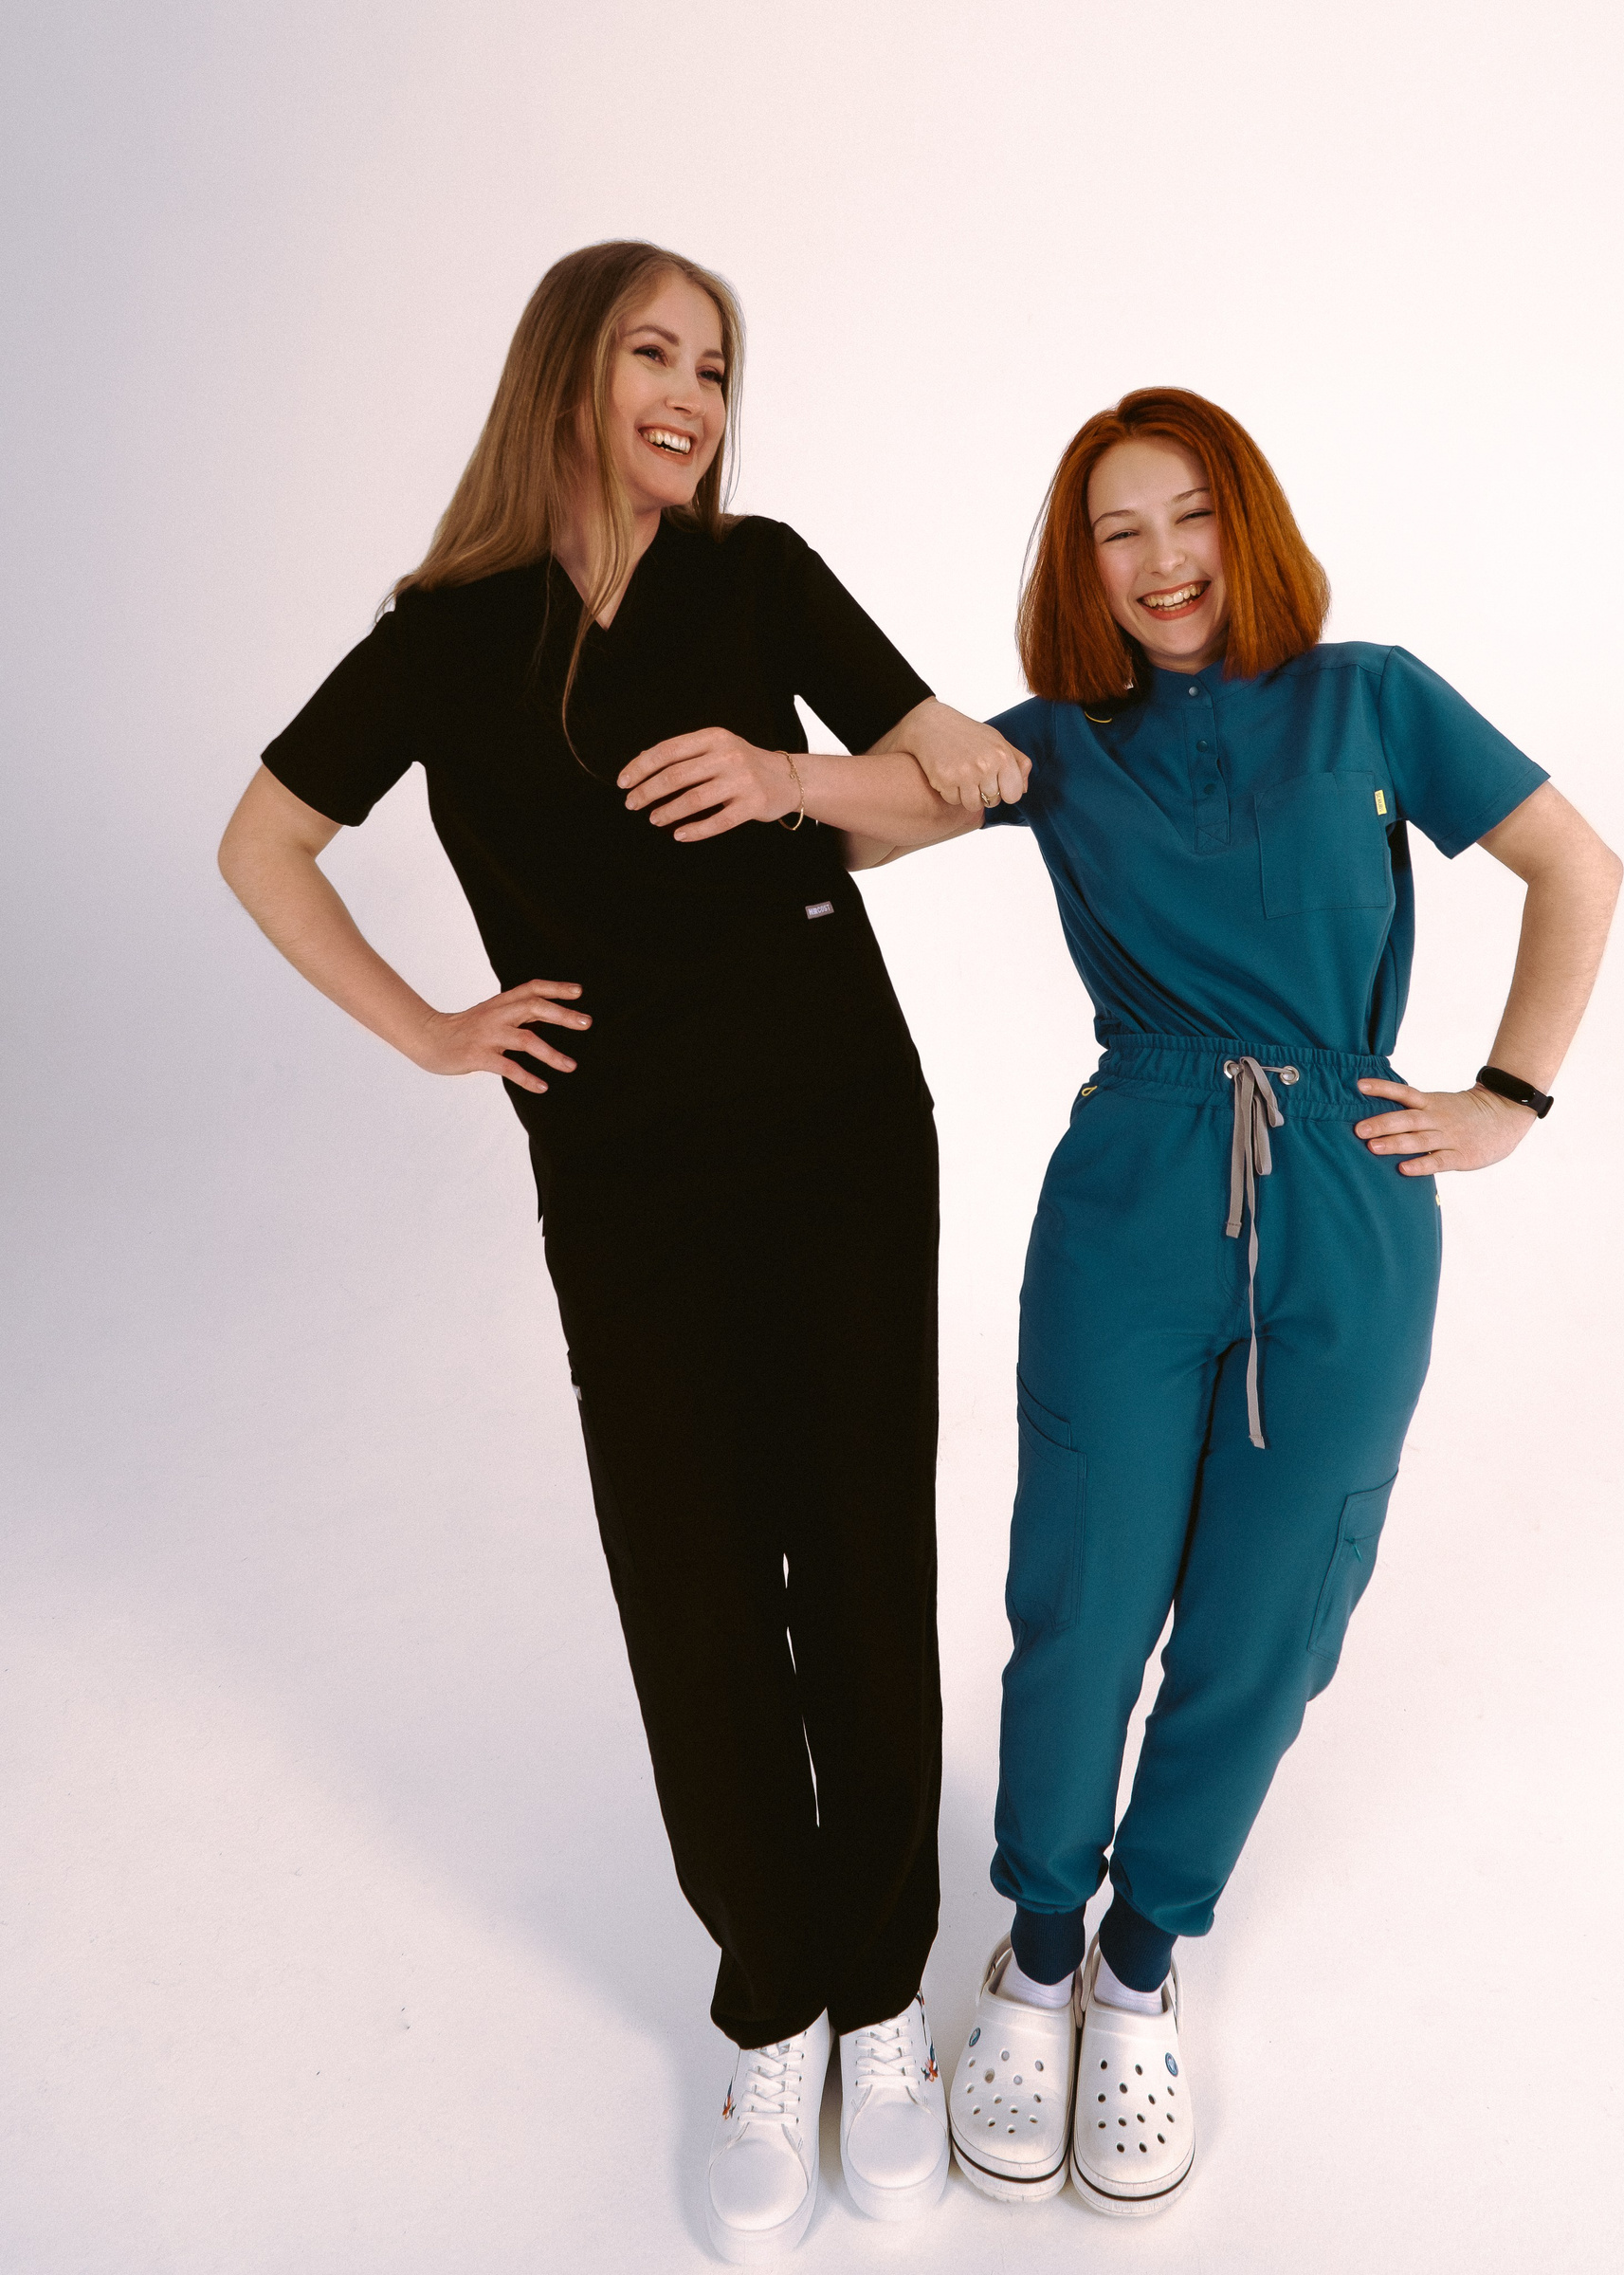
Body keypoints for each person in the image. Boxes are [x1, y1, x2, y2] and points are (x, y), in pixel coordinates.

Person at [632, 384, 1622, 2221]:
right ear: (1079, 568)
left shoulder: (1375, 697)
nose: (1162, 561)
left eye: (1190, 517)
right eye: (1117, 531)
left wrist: (1508, 1096)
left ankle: (1144, 1962)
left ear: (1247, 524)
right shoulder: (1061, 745)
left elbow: (1578, 862)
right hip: (1138, 1182)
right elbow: (892, 804)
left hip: (1352, 1181)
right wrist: (784, 772)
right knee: (1083, 1596)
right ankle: (1034, 1955)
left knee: (1277, 1610)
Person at [217, 240, 1029, 2264]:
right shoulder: (444, 635)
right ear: (564, 375)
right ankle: (773, 2002)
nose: (693, 394)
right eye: (655, 352)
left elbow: (975, 777)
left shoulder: (760, 580)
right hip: (624, 1167)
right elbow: (263, 842)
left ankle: (883, 1999)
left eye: (718, 367)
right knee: (690, 1572)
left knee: (858, 1552)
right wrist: (434, 1027)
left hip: (843, 1133)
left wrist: (789, 776)